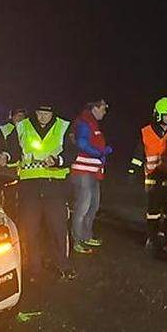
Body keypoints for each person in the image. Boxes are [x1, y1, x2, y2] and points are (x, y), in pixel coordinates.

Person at [1, 103, 76, 282]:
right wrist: (5, 156)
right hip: (29, 186)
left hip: (54, 185)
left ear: (53, 113)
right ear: (35, 112)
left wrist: (58, 160)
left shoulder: (63, 126)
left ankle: (62, 265)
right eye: (40, 113)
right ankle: (34, 269)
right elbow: (13, 150)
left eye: (46, 114)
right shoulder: (22, 127)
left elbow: (72, 152)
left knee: (58, 227)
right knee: (30, 228)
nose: (42, 117)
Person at [129, 97, 167, 249]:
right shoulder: (146, 132)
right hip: (153, 177)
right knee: (152, 209)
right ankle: (151, 237)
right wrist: (132, 171)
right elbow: (139, 153)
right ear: (158, 114)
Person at [69, 99, 112, 253]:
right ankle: (77, 240)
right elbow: (81, 143)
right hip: (83, 171)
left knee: (93, 205)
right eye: (103, 108)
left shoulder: (92, 123)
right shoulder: (84, 122)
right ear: (94, 107)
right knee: (83, 206)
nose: (105, 112)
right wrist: (100, 152)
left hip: (93, 171)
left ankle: (87, 236)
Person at [0, 107, 28, 217]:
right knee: (9, 198)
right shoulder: (5, 129)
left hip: (23, 169)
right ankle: (9, 219)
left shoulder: (27, 129)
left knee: (23, 199)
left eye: (23, 116)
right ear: (12, 116)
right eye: (18, 116)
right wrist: (3, 155)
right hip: (8, 170)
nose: (21, 118)